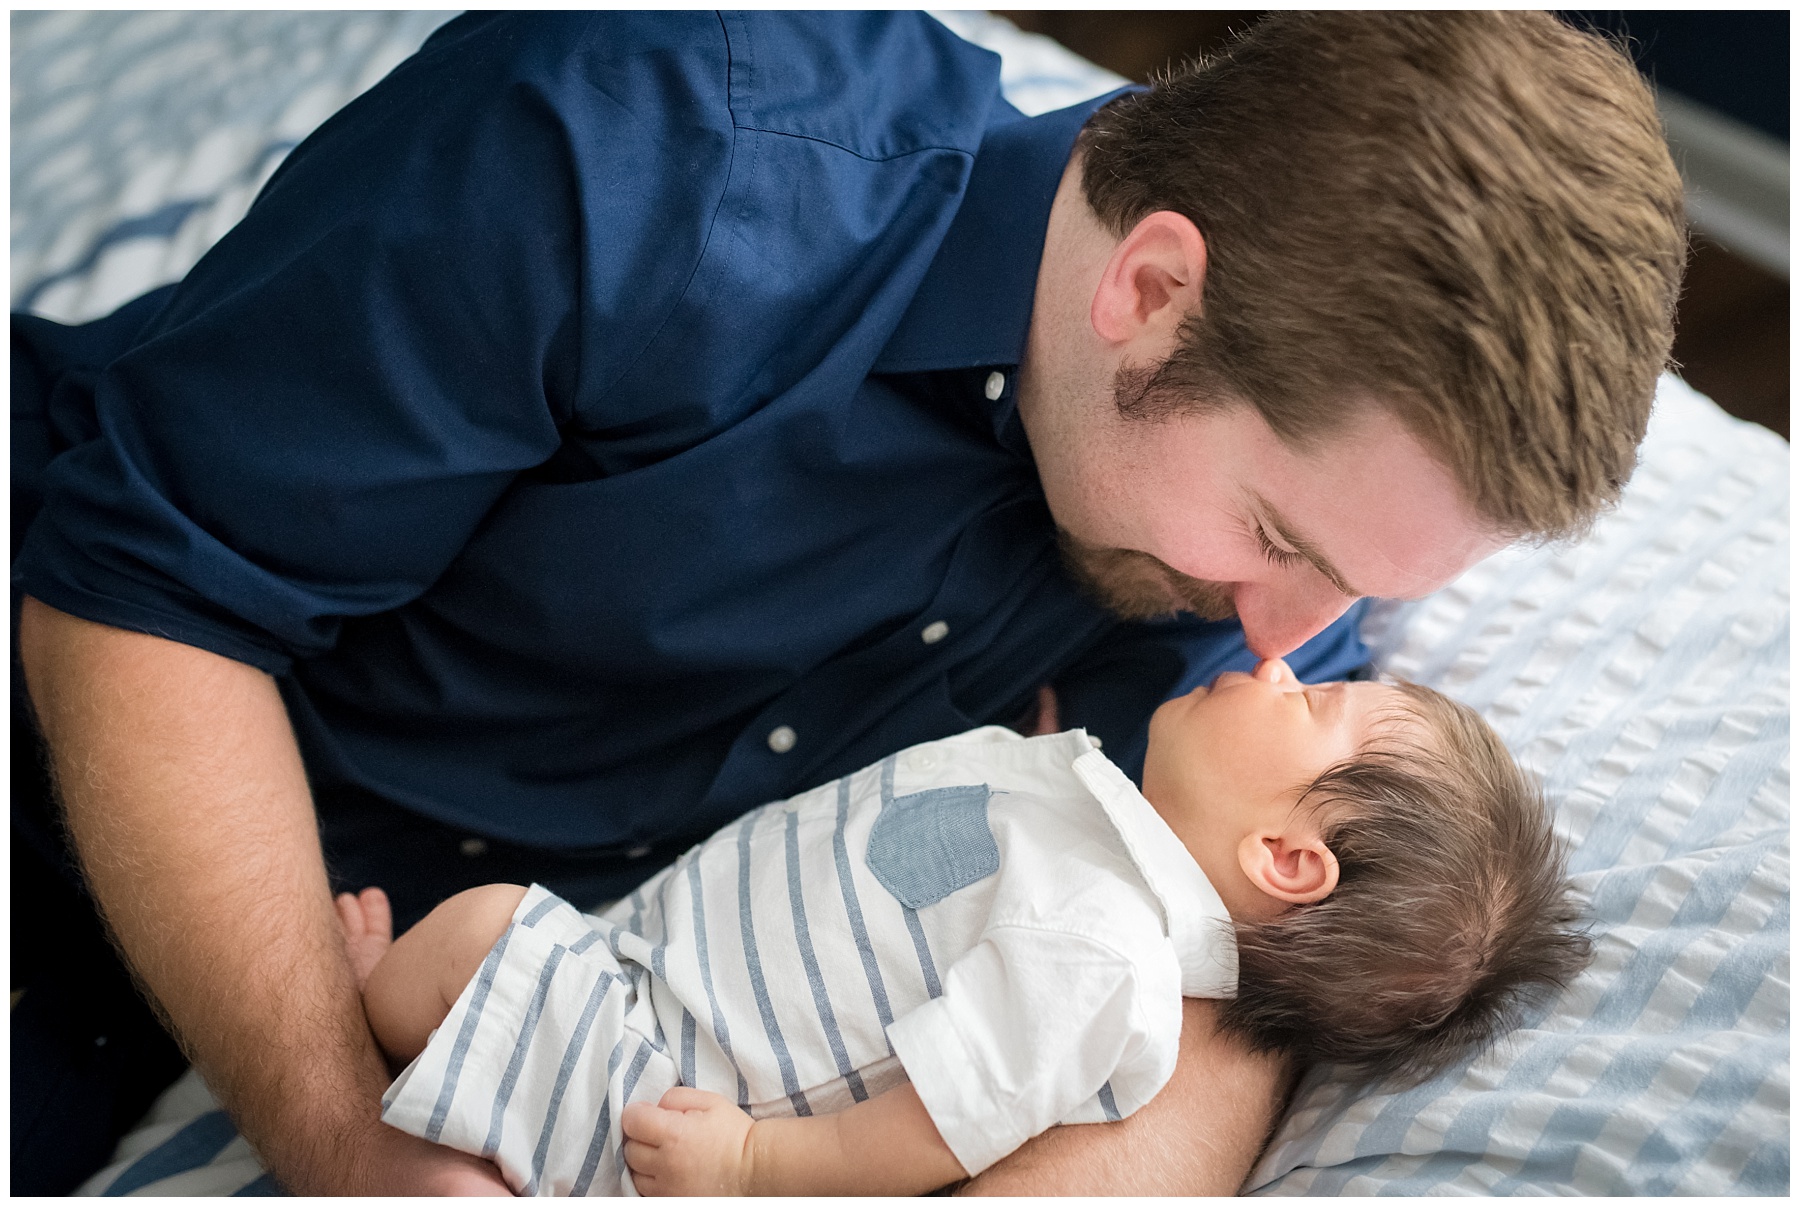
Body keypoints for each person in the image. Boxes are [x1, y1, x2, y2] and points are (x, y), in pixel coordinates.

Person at [11, 10, 1682, 1197]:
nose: (1278, 634)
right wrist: (345, 1143)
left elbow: (1240, 959)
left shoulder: (1240, 629)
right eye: (1274, 533)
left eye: (1354, 590)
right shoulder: (638, 149)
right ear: (1150, 291)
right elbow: (144, 593)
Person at [345, 657, 1589, 1196]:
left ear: (1286, 858)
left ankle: (362, 1019)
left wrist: (751, 1171)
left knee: (475, 935)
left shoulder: (1108, 953)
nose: (1271, 665)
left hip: (664, 1095)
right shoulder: (1098, 833)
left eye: (1310, 699)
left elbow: (948, 1113)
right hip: (654, 972)